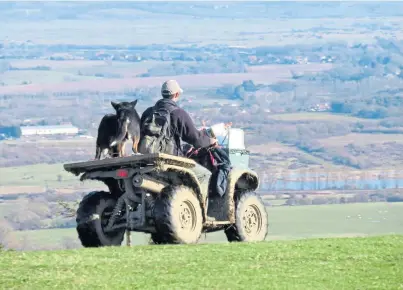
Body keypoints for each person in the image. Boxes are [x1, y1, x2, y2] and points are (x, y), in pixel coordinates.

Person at [139, 79, 217, 199]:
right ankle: (200, 210)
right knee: (204, 174)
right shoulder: (178, 113)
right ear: (176, 94)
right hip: (171, 160)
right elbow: (196, 140)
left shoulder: (148, 112)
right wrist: (210, 140)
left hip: (147, 159)